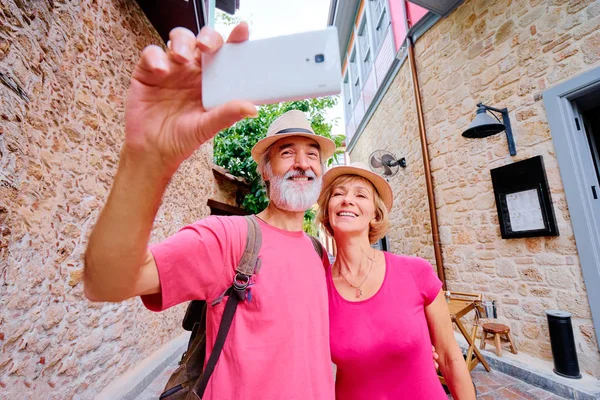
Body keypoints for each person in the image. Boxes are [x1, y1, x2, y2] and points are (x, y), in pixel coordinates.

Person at [83, 23, 337, 399]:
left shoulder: (317, 252)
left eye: (312, 154)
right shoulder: (230, 237)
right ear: (266, 171)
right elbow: (107, 283)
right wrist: (146, 160)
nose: (303, 163)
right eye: (287, 153)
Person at [316, 162, 476, 400]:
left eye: (360, 195)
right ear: (328, 212)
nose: (347, 200)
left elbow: (449, 357)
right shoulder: (318, 289)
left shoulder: (415, 271)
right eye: (338, 194)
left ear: (375, 215)